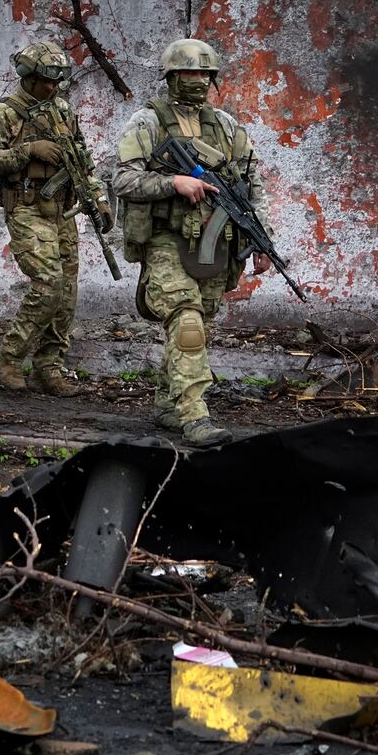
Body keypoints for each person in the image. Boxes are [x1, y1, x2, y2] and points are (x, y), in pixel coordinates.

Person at [113, 38, 271, 448]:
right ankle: (195, 414)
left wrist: (260, 239)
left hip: (214, 240)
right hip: (167, 239)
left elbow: (254, 184)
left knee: (203, 317)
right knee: (186, 319)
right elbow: (122, 179)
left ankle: (168, 402)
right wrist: (173, 181)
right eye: (188, 72)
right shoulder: (147, 122)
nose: (197, 80)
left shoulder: (227, 126)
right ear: (171, 76)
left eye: (204, 73)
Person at [0, 40, 107, 397]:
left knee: (66, 292)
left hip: (62, 211)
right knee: (48, 283)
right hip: (26, 208)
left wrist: (99, 200)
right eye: (46, 81)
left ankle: (49, 366)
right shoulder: (5, 113)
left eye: (56, 82)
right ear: (29, 77)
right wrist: (27, 150)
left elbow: (83, 160)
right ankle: (9, 357)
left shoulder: (63, 110)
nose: (52, 88)